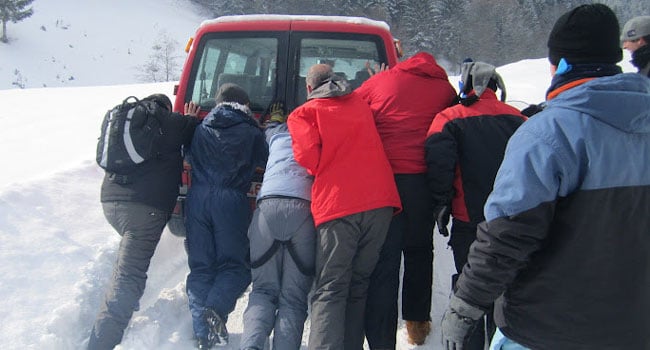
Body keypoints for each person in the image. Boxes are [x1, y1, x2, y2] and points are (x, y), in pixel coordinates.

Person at [441, 4, 650, 350]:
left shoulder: (549, 133)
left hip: (547, 328)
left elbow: (507, 235)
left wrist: (466, 304)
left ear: (561, 65)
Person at [287, 64, 401, 350]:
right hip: (381, 203)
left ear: (309, 89)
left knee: (330, 288)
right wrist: (379, 77)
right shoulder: (360, 102)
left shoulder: (303, 114)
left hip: (341, 205)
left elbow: (308, 157)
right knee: (358, 284)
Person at [354, 51, 456, 347]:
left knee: (385, 259)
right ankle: (416, 325)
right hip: (422, 184)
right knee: (420, 253)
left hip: (386, 182)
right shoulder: (445, 89)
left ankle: (381, 336)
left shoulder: (382, 81)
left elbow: (354, 106)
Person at [424, 61, 526, 350]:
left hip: (469, 220)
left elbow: (438, 164)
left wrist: (440, 204)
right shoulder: (520, 119)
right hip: (513, 221)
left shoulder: (449, 118)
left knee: (469, 289)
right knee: (504, 290)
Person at [89, 94, 200, 350]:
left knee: (126, 270)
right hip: (144, 210)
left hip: (111, 203)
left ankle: (121, 303)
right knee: (129, 278)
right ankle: (102, 342)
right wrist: (190, 117)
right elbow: (191, 128)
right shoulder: (169, 121)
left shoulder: (123, 120)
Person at [185, 83, 268, 349]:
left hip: (196, 201)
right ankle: (216, 311)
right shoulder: (250, 131)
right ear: (244, 105)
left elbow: (188, 155)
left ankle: (202, 333)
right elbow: (267, 161)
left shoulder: (200, 128)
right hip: (230, 202)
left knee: (201, 268)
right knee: (236, 266)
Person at [240, 103, 316, 350]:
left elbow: (271, 128)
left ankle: (251, 346)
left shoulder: (278, 135)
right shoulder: (318, 135)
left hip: (268, 207)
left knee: (262, 290)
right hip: (303, 211)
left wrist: (275, 118)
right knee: (293, 298)